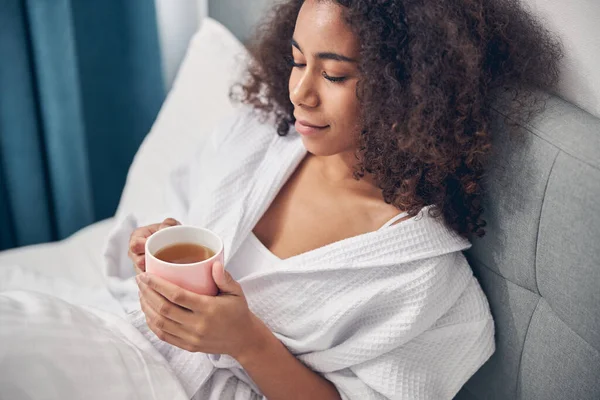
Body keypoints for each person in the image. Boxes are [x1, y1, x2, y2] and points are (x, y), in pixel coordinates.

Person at [126, 0, 562, 399]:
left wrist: (247, 342)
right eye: (297, 61)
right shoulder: (259, 136)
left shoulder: (419, 277)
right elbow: (187, 210)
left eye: (333, 75)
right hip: (131, 353)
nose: (300, 92)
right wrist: (161, 251)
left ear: (409, 88)